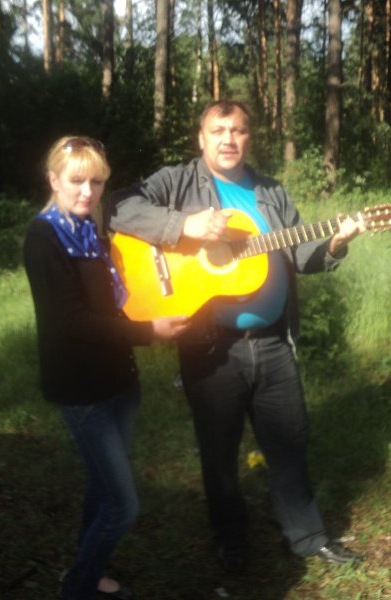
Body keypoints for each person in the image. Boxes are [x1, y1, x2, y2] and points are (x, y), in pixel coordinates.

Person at [107, 100, 366, 573]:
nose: (229, 139)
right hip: (211, 348)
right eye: (219, 130)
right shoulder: (177, 181)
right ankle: (231, 541)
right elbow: (118, 207)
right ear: (202, 138)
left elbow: (299, 254)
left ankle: (306, 536)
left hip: (273, 341)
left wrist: (335, 242)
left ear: (249, 137)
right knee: (219, 450)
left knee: (290, 440)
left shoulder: (271, 192)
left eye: (239, 130)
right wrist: (183, 225)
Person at [23, 136, 189, 600]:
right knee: (122, 505)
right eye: (77, 180)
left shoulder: (92, 232)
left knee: (102, 489)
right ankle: (79, 587)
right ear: (54, 180)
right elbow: (71, 322)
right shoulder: (44, 237)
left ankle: (90, 570)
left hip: (120, 383)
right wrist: (148, 331)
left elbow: (117, 301)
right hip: (82, 392)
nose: (87, 191)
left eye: (96, 182)